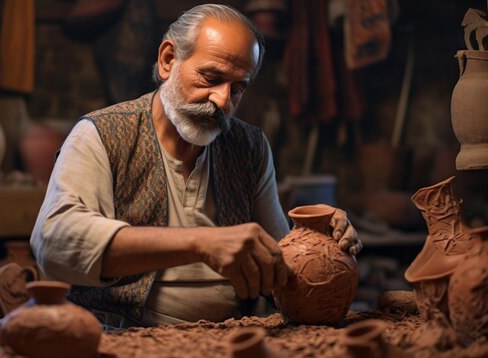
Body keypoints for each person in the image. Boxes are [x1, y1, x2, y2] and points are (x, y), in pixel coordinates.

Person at [30, 3, 361, 329]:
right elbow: (55, 242)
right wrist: (201, 243)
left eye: (237, 88)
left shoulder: (249, 148)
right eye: (211, 77)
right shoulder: (102, 135)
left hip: (229, 337)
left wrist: (317, 242)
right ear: (168, 60)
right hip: (119, 335)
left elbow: (277, 267)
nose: (221, 100)